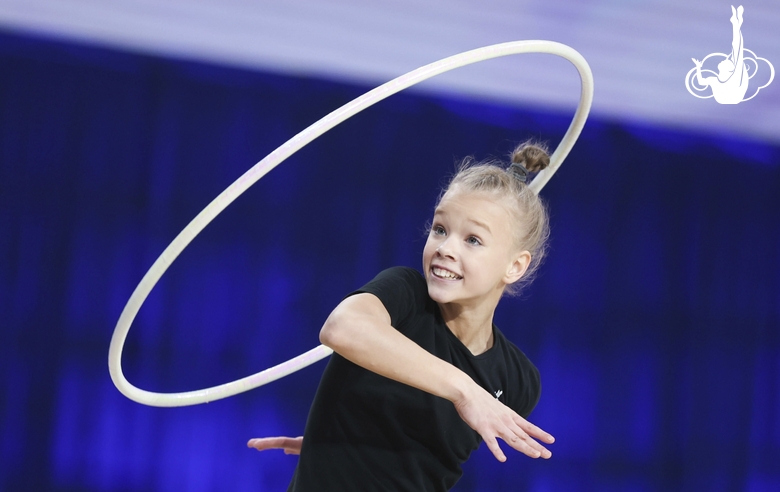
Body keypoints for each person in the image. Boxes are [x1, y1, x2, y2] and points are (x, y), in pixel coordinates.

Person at [248, 142, 556, 491]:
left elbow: (425, 450)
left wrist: (371, 449)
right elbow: (342, 328)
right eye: (440, 229)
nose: (445, 248)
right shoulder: (405, 295)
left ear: (515, 266)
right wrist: (465, 391)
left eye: (472, 240)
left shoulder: (517, 382)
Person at [692, 5, 748, 104]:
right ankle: (736, 23)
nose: (725, 59)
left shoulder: (735, 77)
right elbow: (701, 82)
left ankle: (736, 23)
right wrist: (698, 67)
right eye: (727, 60)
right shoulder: (714, 80)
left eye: (727, 61)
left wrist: (736, 26)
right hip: (727, 98)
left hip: (733, 97)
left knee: (737, 50)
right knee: (737, 51)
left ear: (729, 69)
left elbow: (737, 49)